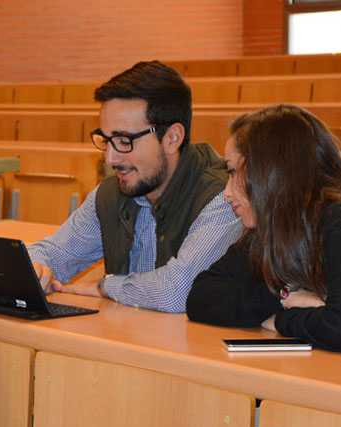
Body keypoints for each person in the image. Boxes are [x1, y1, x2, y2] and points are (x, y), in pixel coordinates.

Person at [186, 104, 341, 353]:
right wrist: (284, 297)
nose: (227, 193)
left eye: (233, 171)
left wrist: (280, 321)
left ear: (271, 172)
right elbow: (200, 297)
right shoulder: (272, 229)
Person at [27, 60, 242, 312]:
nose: (110, 158)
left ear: (172, 138)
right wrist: (36, 267)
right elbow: (52, 253)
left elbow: (176, 292)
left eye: (124, 141)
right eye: (106, 140)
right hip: (129, 340)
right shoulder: (112, 193)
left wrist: (105, 286)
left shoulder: (222, 197)